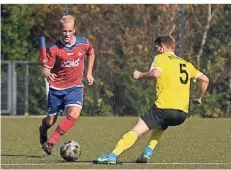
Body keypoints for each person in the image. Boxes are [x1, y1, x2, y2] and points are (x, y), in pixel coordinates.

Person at [93, 35, 209, 164]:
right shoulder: (186, 64)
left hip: (163, 108)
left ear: (162, 47)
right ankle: (147, 152)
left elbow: (155, 74)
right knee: (162, 124)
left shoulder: (161, 58)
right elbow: (205, 79)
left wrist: (140, 75)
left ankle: (112, 155)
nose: (156, 50)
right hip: (181, 114)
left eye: (157, 47)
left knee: (136, 130)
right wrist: (198, 97)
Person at [39, 15, 95, 155]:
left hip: (75, 87)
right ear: (60, 30)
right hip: (57, 89)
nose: (67, 34)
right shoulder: (54, 49)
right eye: (64, 31)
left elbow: (91, 52)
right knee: (50, 121)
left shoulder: (83, 43)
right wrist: (48, 74)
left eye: (70, 31)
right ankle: (43, 130)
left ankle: (51, 142)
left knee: (74, 114)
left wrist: (89, 73)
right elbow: (45, 69)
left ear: (74, 30)